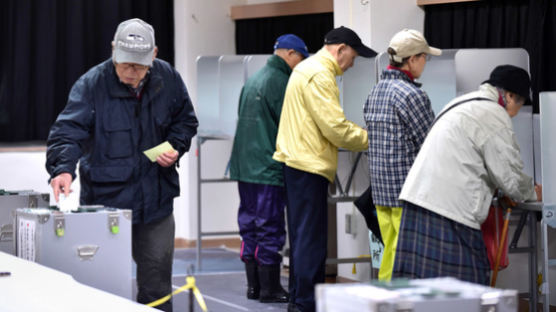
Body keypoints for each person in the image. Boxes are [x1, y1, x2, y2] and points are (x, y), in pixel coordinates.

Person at [45, 18, 198, 312]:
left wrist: (176, 147)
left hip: (156, 201)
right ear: (114, 51)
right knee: (102, 285)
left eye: (139, 65)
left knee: (156, 287)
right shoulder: (92, 83)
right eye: (125, 63)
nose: (131, 71)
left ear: (153, 55)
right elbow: (68, 132)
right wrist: (62, 168)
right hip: (106, 203)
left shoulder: (169, 79)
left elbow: (185, 121)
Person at [393, 65, 542, 285]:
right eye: (519, 104)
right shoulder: (493, 114)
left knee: (420, 292)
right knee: (464, 289)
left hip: (419, 201)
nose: (516, 112)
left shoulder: (462, 103)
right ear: (510, 96)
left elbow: (470, 158)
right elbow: (510, 175)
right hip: (448, 211)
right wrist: (532, 192)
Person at [273, 26, 376, 312]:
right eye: (353, 56)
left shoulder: (306, 68)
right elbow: (335, 128)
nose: (353, 64)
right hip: (309, 166)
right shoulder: (320, 74)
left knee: (302, 237)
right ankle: (307, 303)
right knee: (311, 241)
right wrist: (371, 138)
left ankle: (299, 300)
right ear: (340, 49)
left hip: (296, 162)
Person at [229, 34, 308, 303]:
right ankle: (270, 289)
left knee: (249, 226)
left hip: (244, 166)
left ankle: (253, 287)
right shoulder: (283, 82)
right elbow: (292, 126)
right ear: (290, 54)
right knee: (270, 227)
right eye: (300, 59)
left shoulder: (253, 79)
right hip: (267, 167)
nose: (300, 65)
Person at [363, 29, 441, 281]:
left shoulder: (376, 91)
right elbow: (430, 143)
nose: (425, 63)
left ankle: (382, 302)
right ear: (412, 59)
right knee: (404, 260)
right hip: (407, 192)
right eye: (424, 57)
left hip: (381, 190)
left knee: (391, 253)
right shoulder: (413, 95)